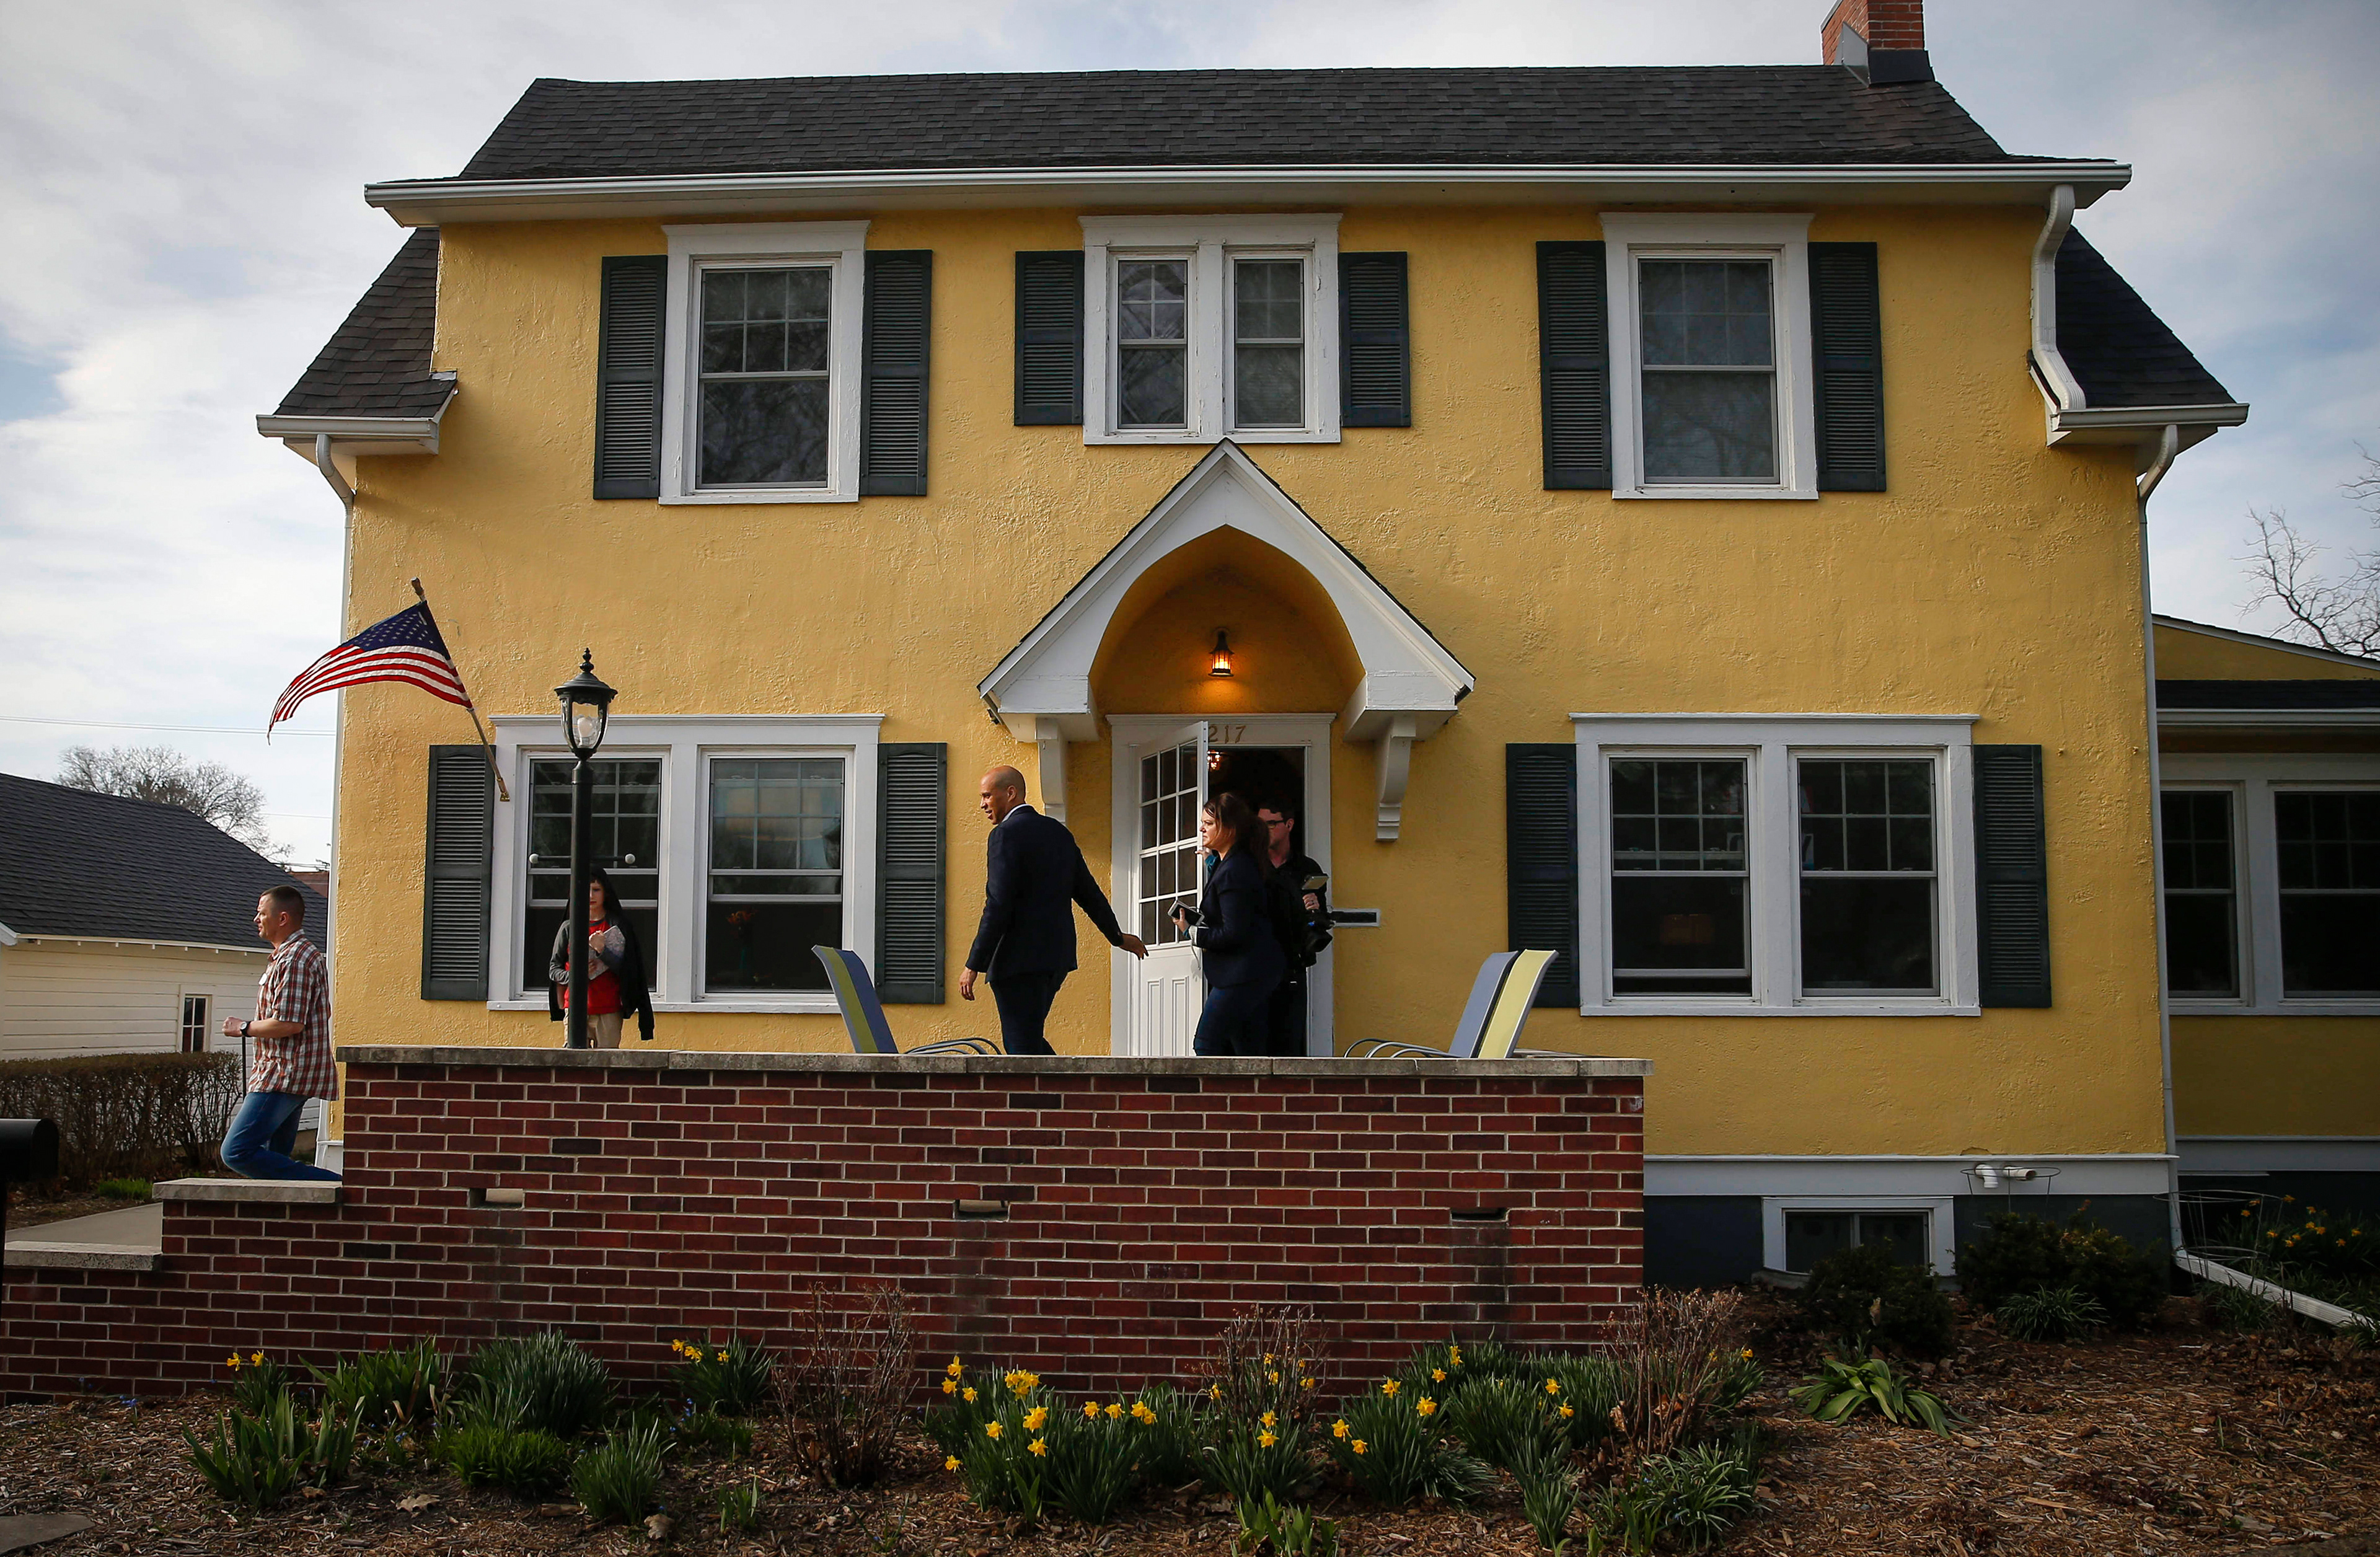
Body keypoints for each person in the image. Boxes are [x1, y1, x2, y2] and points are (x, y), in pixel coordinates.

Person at [963, 765, 1148, 1054]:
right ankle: (1069, 1095)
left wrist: (974, 965)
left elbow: (998, 904)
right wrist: (1117, 937)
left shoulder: (1005, 834)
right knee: (1028, 1041)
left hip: (1017, 962)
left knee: (1021, 1049)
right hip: (1055, 960)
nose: (982, 804)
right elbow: (1089, 893)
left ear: (1010, 793)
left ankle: (1066, 1096)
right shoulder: (1059, 833)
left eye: (987, 796)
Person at [217, 884, 340, 1181]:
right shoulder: (289, 956)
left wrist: (243, 1028)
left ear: (282, 918)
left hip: (284, 1073)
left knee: (237, 1151)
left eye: (261, 913)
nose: (256, 919)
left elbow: (289, 1023)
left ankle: (340, 1189)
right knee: (276, 1163)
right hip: (286, 1071)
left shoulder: (294, 960)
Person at [1173, 792, 1286, 1057]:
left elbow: (1234, 933)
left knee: (1207, 1043)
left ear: (1230, 828)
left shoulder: (1236, 869)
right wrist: (1212, 862)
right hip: (1251, 973)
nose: (1201, 828)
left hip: (1243, 975)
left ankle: (1211, 1099)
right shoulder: (1236, 863)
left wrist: (1192, 932)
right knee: (1249, 1052)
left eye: (1209, 823)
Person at [546, 866, 654, 1048]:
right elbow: (554, 969)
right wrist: (575, 975)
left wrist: (602, 951)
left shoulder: (618, 925)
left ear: (606, 893)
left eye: (596, 890)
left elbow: (630, 969)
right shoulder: (568, 928)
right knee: (575, 1064)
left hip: (609, 1009)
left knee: (608, 1064)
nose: (590, 896)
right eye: (585, 890)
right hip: (575, 1009)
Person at [1257, 798, 1331, 1057]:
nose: (1264, 830)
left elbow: (1319, 921)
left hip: (1293, 964)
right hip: (1257, 964)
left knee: (1290, 1043)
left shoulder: (1306, 868)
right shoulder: (1252, 866)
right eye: (1259, 824)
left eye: (1271, 824)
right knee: (1255, 1044)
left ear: (1289, 825)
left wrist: (1313, 910)